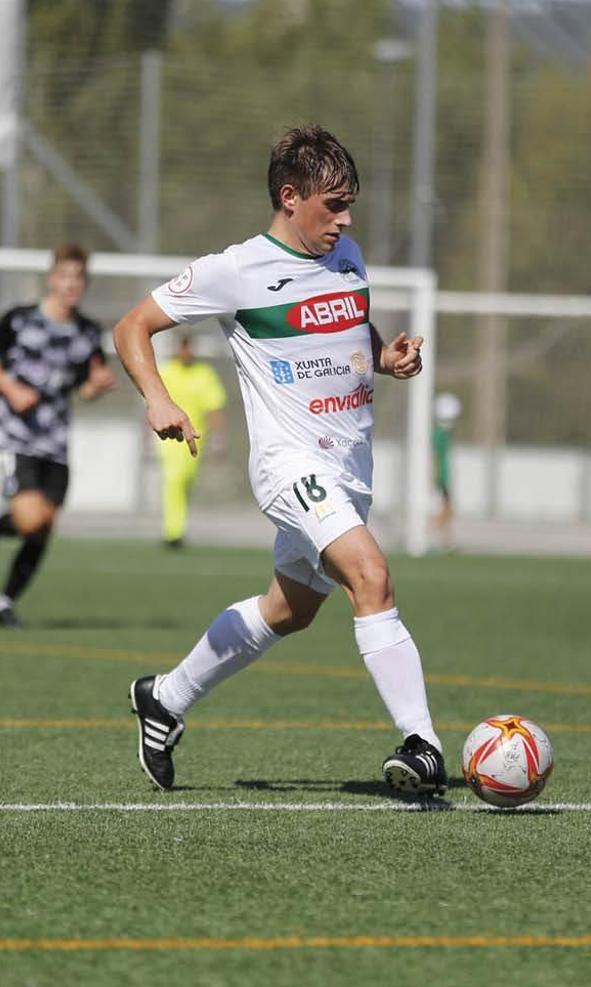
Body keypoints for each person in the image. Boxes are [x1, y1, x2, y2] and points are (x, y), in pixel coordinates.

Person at [112, 123, 447, 798]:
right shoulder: (235, 270)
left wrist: (385, 357)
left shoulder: (347, 253)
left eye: (349, 202)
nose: (346, 218)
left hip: (350, 473)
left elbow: (353, 321)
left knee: (289, 609)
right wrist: (158, 398)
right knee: (371, 577)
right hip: (291, 467)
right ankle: (425, 744)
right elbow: (131, 326)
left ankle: (164, 697)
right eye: (333, 203)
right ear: (290, 197)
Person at [0, 244, 116, 627]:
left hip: (56, 440)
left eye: (79, 278)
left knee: (44, 527)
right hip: (16, 435)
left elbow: (83, 389)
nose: (72, 284)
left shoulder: (87, 333)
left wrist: (98, 387)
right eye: (65, 276)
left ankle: (4, 602)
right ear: (52, 278)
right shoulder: (20, 320)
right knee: (31, 520)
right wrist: (10, 388)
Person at [155, 333, 227, 548]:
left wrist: (218, 439)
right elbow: (153, 404)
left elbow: (214, 407)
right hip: (169, 438)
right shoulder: (166, 372)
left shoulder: (204, 374)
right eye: (182, 347)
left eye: (189, 347)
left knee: (185, 481)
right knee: (173, 480)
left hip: (194, 438)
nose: (185, 352)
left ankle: (178, 525)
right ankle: (173, 531)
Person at [430, 391, 461, 551]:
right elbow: (434, 457)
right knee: (445, 510)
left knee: (448, 510)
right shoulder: (438, 434)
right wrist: (435, 476)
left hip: (444, 477)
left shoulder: (442, 433)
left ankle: (447, 542)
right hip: (440, 478)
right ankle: (425, 531)